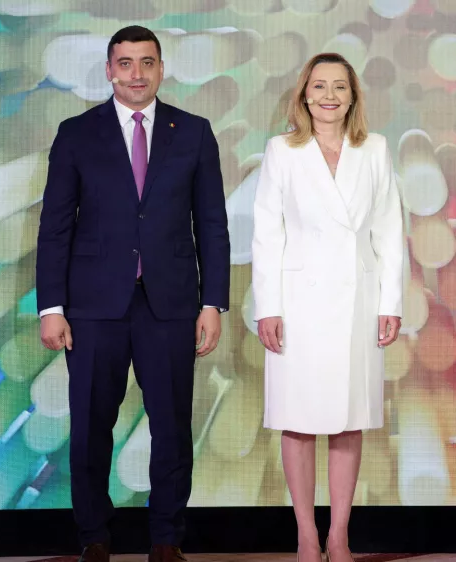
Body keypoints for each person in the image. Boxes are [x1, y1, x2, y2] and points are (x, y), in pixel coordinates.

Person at [36, 25, 231, 562]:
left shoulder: (193, 132)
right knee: (91, 427)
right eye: (125, 64)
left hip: (170, 305)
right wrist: (51, 307)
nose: (136, 74)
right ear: (108, 70)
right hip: (92, 306)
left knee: (171, 427)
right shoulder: (76, 133)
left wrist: (212, 301)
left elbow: (211, 224)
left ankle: (166, 540)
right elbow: (55, 226)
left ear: (162, 69)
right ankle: (93, 538)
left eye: (147, 63)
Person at [250, 52, 404, 562]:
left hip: (358, 300)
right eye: (319, 86)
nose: (329, 95)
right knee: (297, 419)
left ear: (353, 96)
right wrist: (266, 306)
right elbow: (267, 234)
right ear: (304, 94)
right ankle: (305, 534)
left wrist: (391, 302)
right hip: (296, 304)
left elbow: (389, 231)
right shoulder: (282, 151)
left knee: (348, 417)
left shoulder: (375, 149)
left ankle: (338, 533)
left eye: (340, 86)